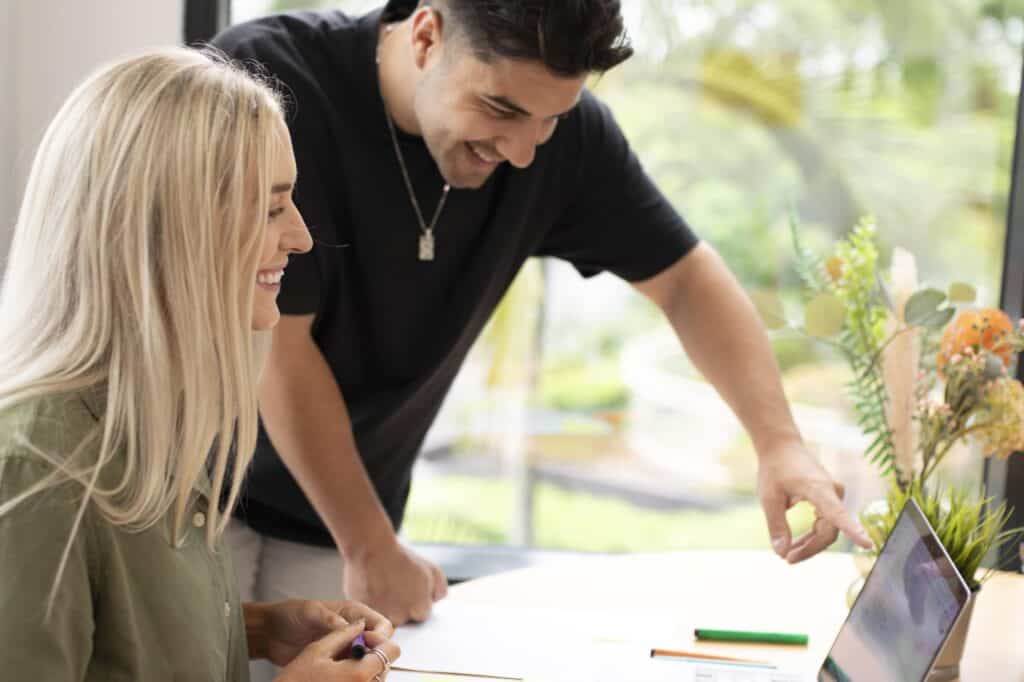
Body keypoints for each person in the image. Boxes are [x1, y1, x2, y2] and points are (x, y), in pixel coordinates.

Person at [213, 0, 874, 630]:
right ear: (425, 36)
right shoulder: (269, 86)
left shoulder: (563, 146)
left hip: (336, 514)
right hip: (189, 495)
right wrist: (369, 546)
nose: (523, 152)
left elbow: (685, 280)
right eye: (500, 108)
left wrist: (779, 441)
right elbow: (277, 350)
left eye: (549, 119)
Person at [0, 47, 400, 681]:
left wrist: (258, 627)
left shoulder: (151, 426)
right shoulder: (33, 470)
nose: (299, 236)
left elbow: (119, 644)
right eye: (271, 208)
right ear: (166, 226)